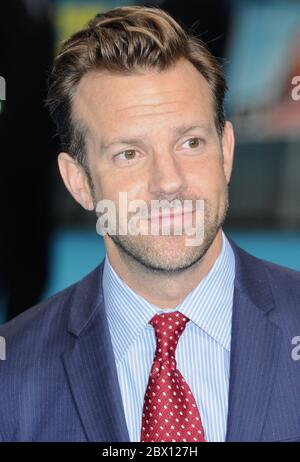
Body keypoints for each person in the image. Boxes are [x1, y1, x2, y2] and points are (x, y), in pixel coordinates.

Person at [0, 6, 300, 443]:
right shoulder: (12, 376)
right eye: (129, 154)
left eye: (190, 142)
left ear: (226, 151)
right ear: (79, 182)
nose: (169, 182)